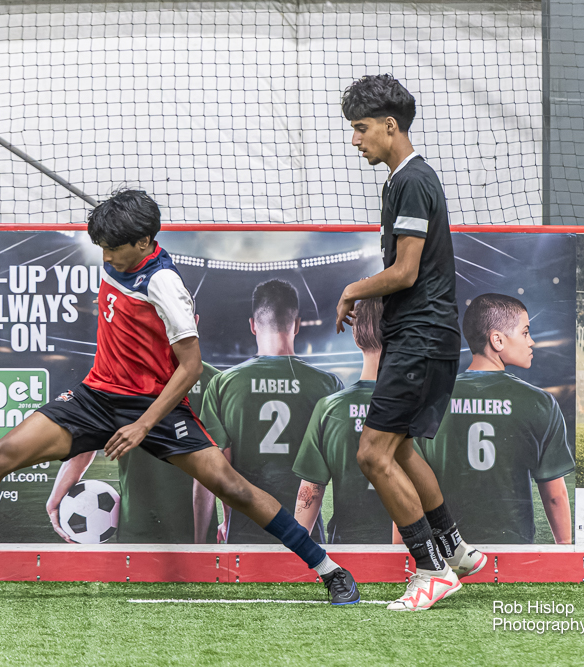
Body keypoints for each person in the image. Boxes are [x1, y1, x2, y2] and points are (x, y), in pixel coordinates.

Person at [0, 188, 361, 604]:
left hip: (152, 409)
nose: (105, 258)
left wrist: (143, 424)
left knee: (231, 487)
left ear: (144, 242)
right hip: (95, 396)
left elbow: (191, 366)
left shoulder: (164, 285)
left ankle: (329, 570)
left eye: (113, 249)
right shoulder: (118, 259)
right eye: (102, 247)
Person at [337, 74, 485, 611]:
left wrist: (352, 290)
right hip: (424, 336)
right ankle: (455, 549)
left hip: (420, 338)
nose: (355, 140)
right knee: (398, 447)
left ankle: (430, 570)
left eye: (361, 128)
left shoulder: (411, 181)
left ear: (390, 125)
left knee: (372, 454)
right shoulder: (407, 180)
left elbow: (405, 272)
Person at [417, 294, 574, 544]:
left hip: (448, 553)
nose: (531, 341)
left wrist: (401, 552)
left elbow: (409, 490)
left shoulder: (430, 398)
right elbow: (555, 496)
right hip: (514, 551)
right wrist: (564, 550)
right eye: (525, 332)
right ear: (497, 340)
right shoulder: (540, 402)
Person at [196, 279, 343, 544]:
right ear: (296, 324)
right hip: (306, 534)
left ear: (253, 325)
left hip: (245, 533)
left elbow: (220, 470)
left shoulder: (222, 384)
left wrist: (227, 522)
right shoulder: (328, 385)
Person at [45, 353, 221, 544]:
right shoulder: (214, 380)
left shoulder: (116, 376)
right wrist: (219, 526)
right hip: (193, 530)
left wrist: (55, 500)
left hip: (138, 525)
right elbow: (223, 462)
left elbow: (83, 448)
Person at [293, 297, 394, 543]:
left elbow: (311, 492)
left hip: (346, 548)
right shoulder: (417, 407)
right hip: (407, 552)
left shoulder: (329, 407)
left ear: (356, 339)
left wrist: (296, 550)